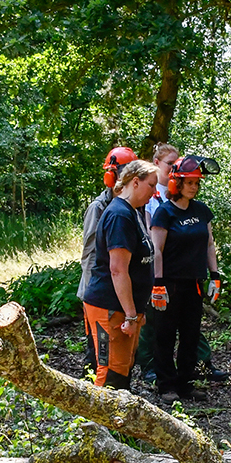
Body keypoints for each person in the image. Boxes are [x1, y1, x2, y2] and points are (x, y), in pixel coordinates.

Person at [140, 142, 229, 384]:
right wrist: (157, 283)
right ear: (177, 183)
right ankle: (166, 383)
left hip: (194, 283)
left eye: (197, 183)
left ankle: (186, 381)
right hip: (169, 282)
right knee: (165, 335)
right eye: (189, 183)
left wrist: (215, 275)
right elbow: (156, 249)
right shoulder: (164, 212)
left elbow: (209, 243)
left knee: (191, 334)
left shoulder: (202, 211)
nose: (194, 187)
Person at [82, 160, 159, 389]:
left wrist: (137, 311)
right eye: (151, 186)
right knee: (111, 372)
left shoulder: (132, 212)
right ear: (135, 182)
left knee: (123, 368)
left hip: (125, 309)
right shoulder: (119, 215)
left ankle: (117, 422)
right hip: (110, 306)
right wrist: (130, 315)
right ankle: (97, 424)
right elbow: (117, 269)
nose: (154, 192)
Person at [79, 146, 138, 372]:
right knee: (97, 351)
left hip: (119, 288)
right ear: (112, 176)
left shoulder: (131, 207)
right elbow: (90, 253)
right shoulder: (99, 208)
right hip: (99, 289)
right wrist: (92, 289)